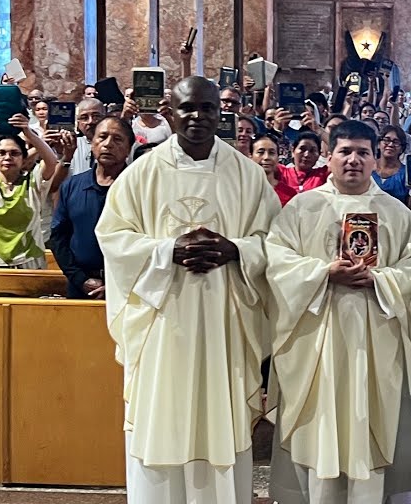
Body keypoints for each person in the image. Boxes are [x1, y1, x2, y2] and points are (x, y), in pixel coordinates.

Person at [95, 76, 280, 504]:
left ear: (222, 112)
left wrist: (235, 248)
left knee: (220, 422)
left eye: (207, 108)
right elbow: (114, 239)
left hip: (225, 324)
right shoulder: (142, 174)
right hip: (164, 325)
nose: (198, 117)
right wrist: (167, 250)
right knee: (162, 419)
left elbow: (277, 243)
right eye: (187, 109)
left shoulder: (248, 176)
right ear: (170, 113)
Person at [265, 119, 411, 503]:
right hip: (318, 341)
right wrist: (323, 273)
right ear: (329, 156)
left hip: (376, 341)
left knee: (369, 430)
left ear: (375, 158)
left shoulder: (397, 213)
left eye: (362, 153)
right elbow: (276, 260)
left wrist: (380, 280)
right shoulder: (303, 207)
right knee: (320, 434)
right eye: (345, 151)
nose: (353, 160)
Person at [0, 112, 60, 270]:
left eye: (14, 153)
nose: (8, 157)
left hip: (30, 261)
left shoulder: (33, 181)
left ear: (24, 158)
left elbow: (51, 161)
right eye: (1, 153)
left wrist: (28, 132)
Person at [52, 116, 133, 299]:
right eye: (102, 137)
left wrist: (119, 282)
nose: (108, 144)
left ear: (128, 149)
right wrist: (81, 280)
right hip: (81, 285)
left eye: (117, 139)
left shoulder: (139, 187)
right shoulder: (72, 186)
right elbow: (59, 238)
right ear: (92, 143)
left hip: (128, 287)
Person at [374, 125, 411, 202]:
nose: (391, 145)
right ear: (378, 144)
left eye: (396, 142)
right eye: (386, 140)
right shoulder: (367, 167)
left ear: (401, 148)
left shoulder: (406, 173)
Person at [287, 130, 330, 196]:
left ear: (319, 155)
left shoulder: (323, 174)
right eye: (302, 149)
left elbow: (338, 147)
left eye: (312, 151)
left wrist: (318, 130)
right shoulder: (281, 173)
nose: (307, 154)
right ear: (293, 151)